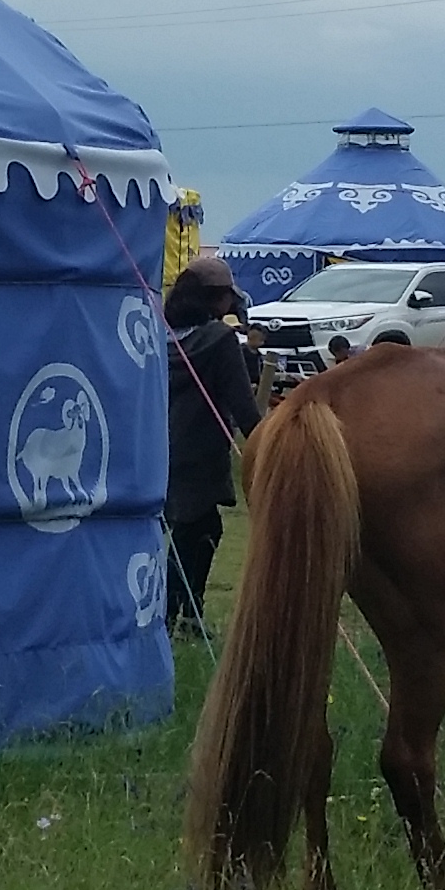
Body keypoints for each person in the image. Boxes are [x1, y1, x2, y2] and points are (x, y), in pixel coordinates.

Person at [161, 257, 268, 636]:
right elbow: (242, 404)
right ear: (216, 299)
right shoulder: (219, 340)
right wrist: (268, 447)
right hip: (200, 452)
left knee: (171, 534)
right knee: (201, 532)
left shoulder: (157, 335)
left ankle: (168, 614)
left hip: (156, 452)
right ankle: (184, 615)